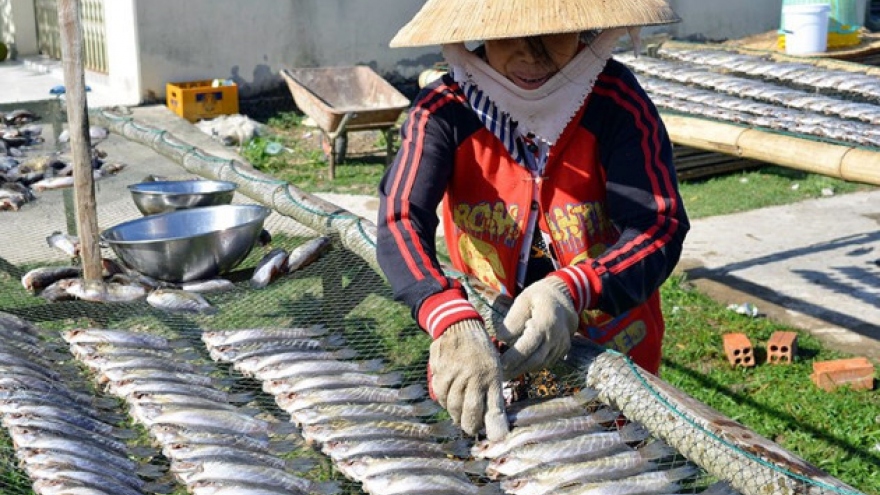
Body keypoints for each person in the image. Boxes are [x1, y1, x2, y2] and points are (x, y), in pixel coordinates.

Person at [377, 0, 690, 442]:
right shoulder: (443, 111)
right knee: (504, 461)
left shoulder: (615, 101)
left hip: (607, 345)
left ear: (585, 28)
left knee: (606, 463)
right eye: (510, 35)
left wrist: (575, 288)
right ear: (478, 31)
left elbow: (658, 225)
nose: (530, 55)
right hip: (489, 344)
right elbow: (400, 218)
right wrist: (448, 317)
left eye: (552, 34)